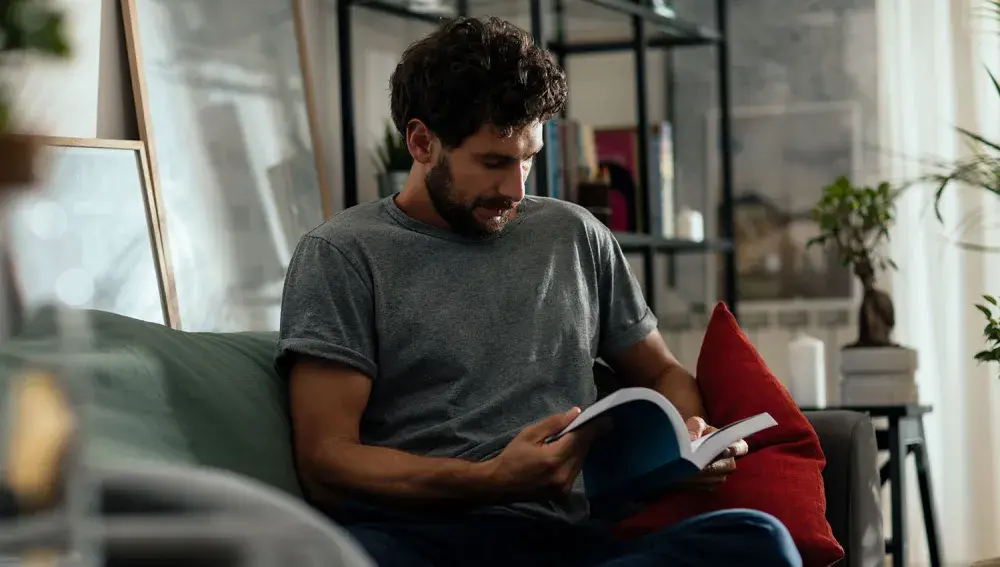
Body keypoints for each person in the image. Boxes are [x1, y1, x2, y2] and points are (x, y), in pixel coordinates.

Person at [275, 16, 802, 567]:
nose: (516, 189)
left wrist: (689, 441)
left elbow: (663, 373)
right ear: (421, 141)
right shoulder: (343, 254)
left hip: (565, 542)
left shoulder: (575, 236)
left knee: (757, 540)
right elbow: (326, 461)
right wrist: (488, 480)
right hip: (423, 538)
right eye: (494, 162)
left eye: (529, 158)